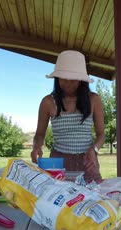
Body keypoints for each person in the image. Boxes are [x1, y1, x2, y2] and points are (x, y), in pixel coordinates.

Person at [31, 50, 105, 182]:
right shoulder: (48, 102)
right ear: (57, 77)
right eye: (63, 78)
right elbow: (40, 134)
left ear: (82, 80)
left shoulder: (94, 100)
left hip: (88, 160)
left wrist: (94, 150)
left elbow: (101, 135)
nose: (67, 82)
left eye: (73, 79)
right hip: (58, 162)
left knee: (91, 197)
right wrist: (36, 147)